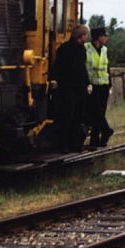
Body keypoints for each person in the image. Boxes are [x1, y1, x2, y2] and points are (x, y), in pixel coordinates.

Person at [49, 24, 90, 152]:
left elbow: (82, 68)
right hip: (67, 87)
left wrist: (87, 83)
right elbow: (59, 66)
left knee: (78, 115)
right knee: (67, 116)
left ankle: (75, 144)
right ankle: (63, 145)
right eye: (85, 35)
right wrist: (55, 79)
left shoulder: (82, 50)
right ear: (80, 36)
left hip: (79, 87)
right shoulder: (64, 49)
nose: (87, 37)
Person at [85, 26, 114, 148]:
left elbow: (107, 68)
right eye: (104, 35)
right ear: (98, 37)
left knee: (100, 113)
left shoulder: (104, 50)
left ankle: (95, 141)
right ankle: (106, 131)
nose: (106, 38)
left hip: (104, 86)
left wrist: (110, 84)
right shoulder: (86, 48)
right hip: (92, 86)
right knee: (96, 113)